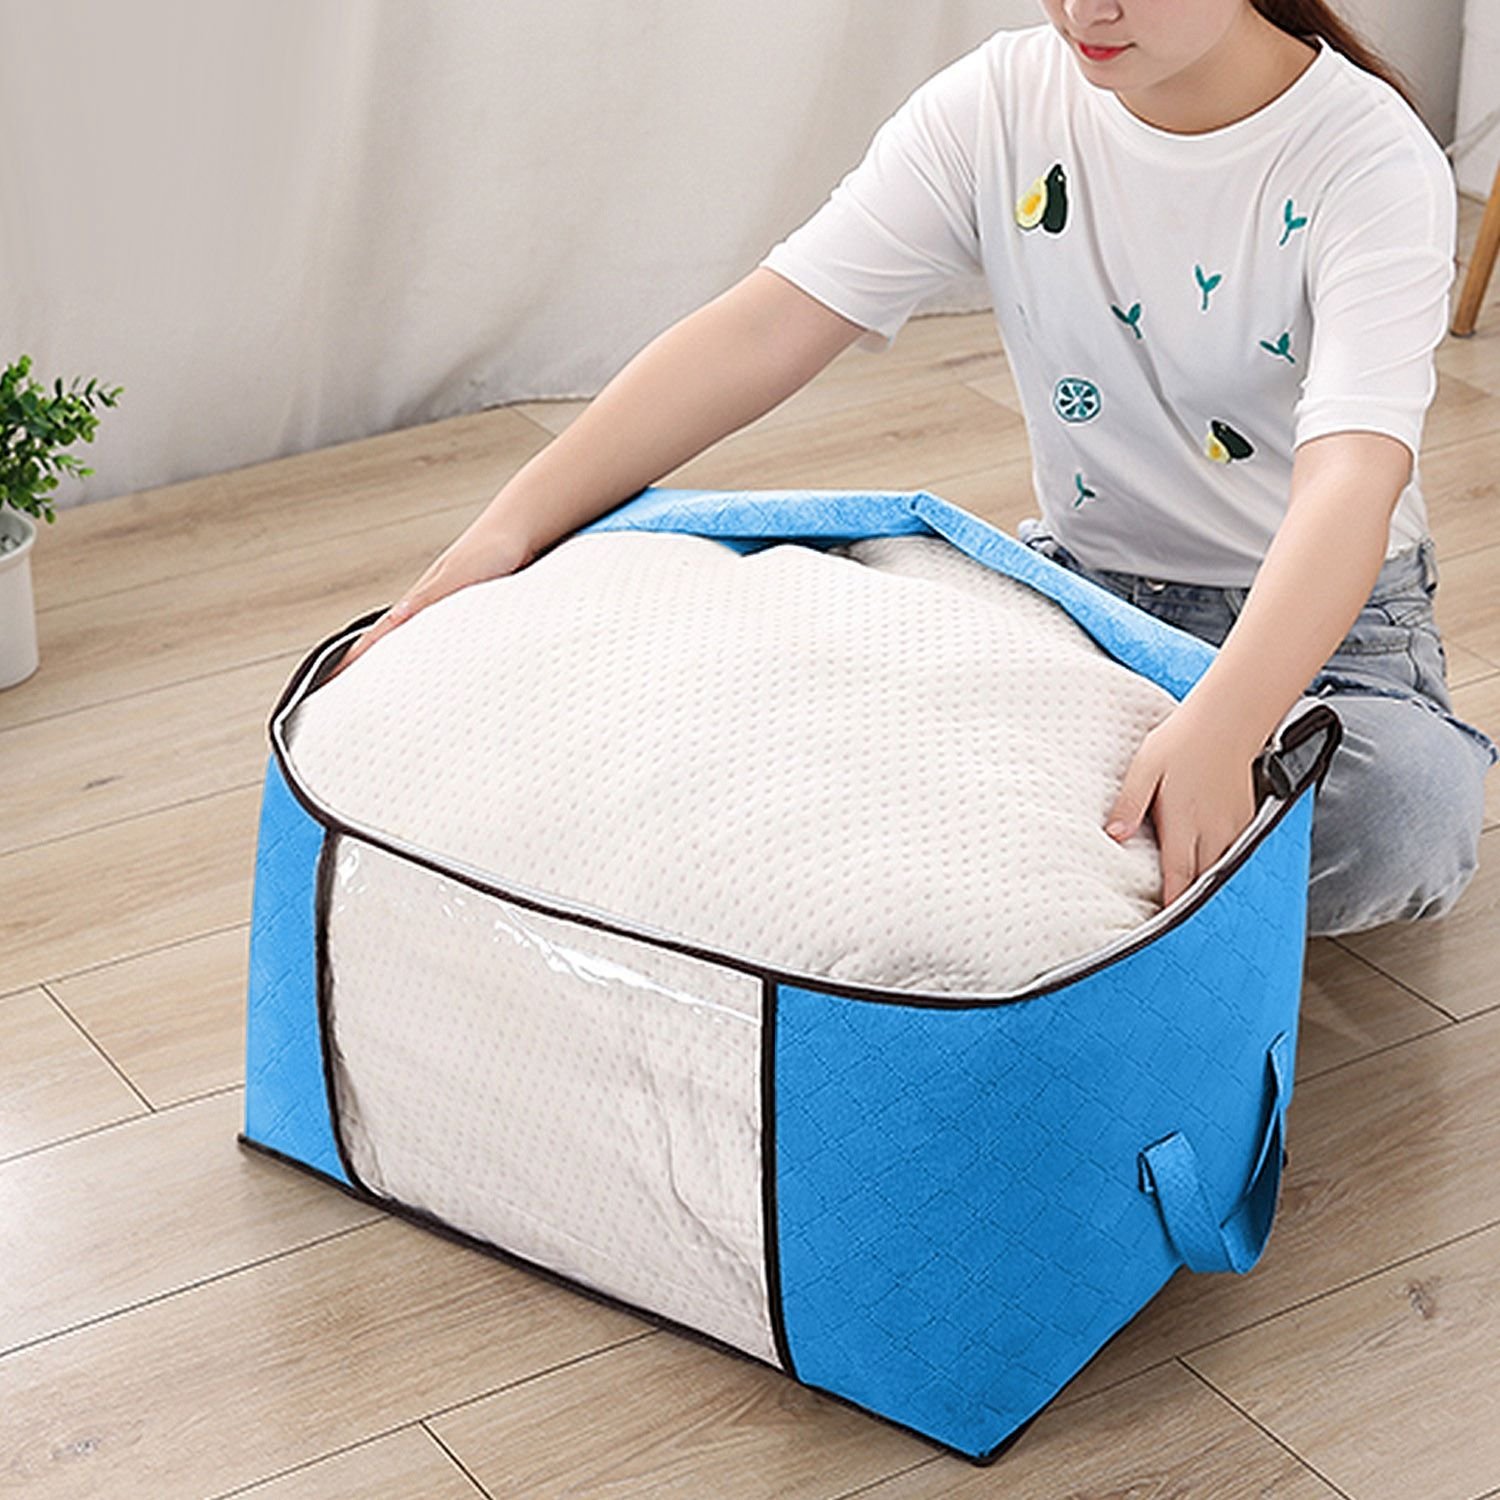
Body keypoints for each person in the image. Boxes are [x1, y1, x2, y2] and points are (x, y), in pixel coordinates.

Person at [330, 0, 1497, 936]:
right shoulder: (1001, 101)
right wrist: (506, 531)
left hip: (1326, 645)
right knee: (802, 667)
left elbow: (1352, 476)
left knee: (1407, 813)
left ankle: (1044, 878)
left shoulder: (1367, 156)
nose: (1087, 9)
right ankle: (1089, 884)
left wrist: (1227, 727)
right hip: (1081, 600)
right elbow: (768, 326)